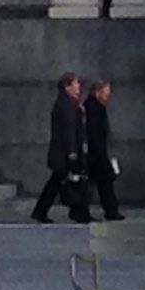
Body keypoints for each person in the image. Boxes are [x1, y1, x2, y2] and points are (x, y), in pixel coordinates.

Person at [31, 72, 90, 225]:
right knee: (70, 181)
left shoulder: (68, 103)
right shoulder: (67, 104)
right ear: (67, 86)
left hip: (61, 152)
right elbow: (69, 129)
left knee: (57, 182)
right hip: (64, 152)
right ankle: (78, 211)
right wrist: (72, 151)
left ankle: (42, 211)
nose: (78, 86)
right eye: (75, 84)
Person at [84, 75, 124, 222]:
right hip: (96, 152)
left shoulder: (95, 107)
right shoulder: (94, 108)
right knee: (102, 182)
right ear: (98, 91)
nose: (108, 94)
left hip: (96, 151)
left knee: (99, 183)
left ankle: (109, 210)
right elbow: (94, 131)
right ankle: (110, 211)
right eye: (106, 91)